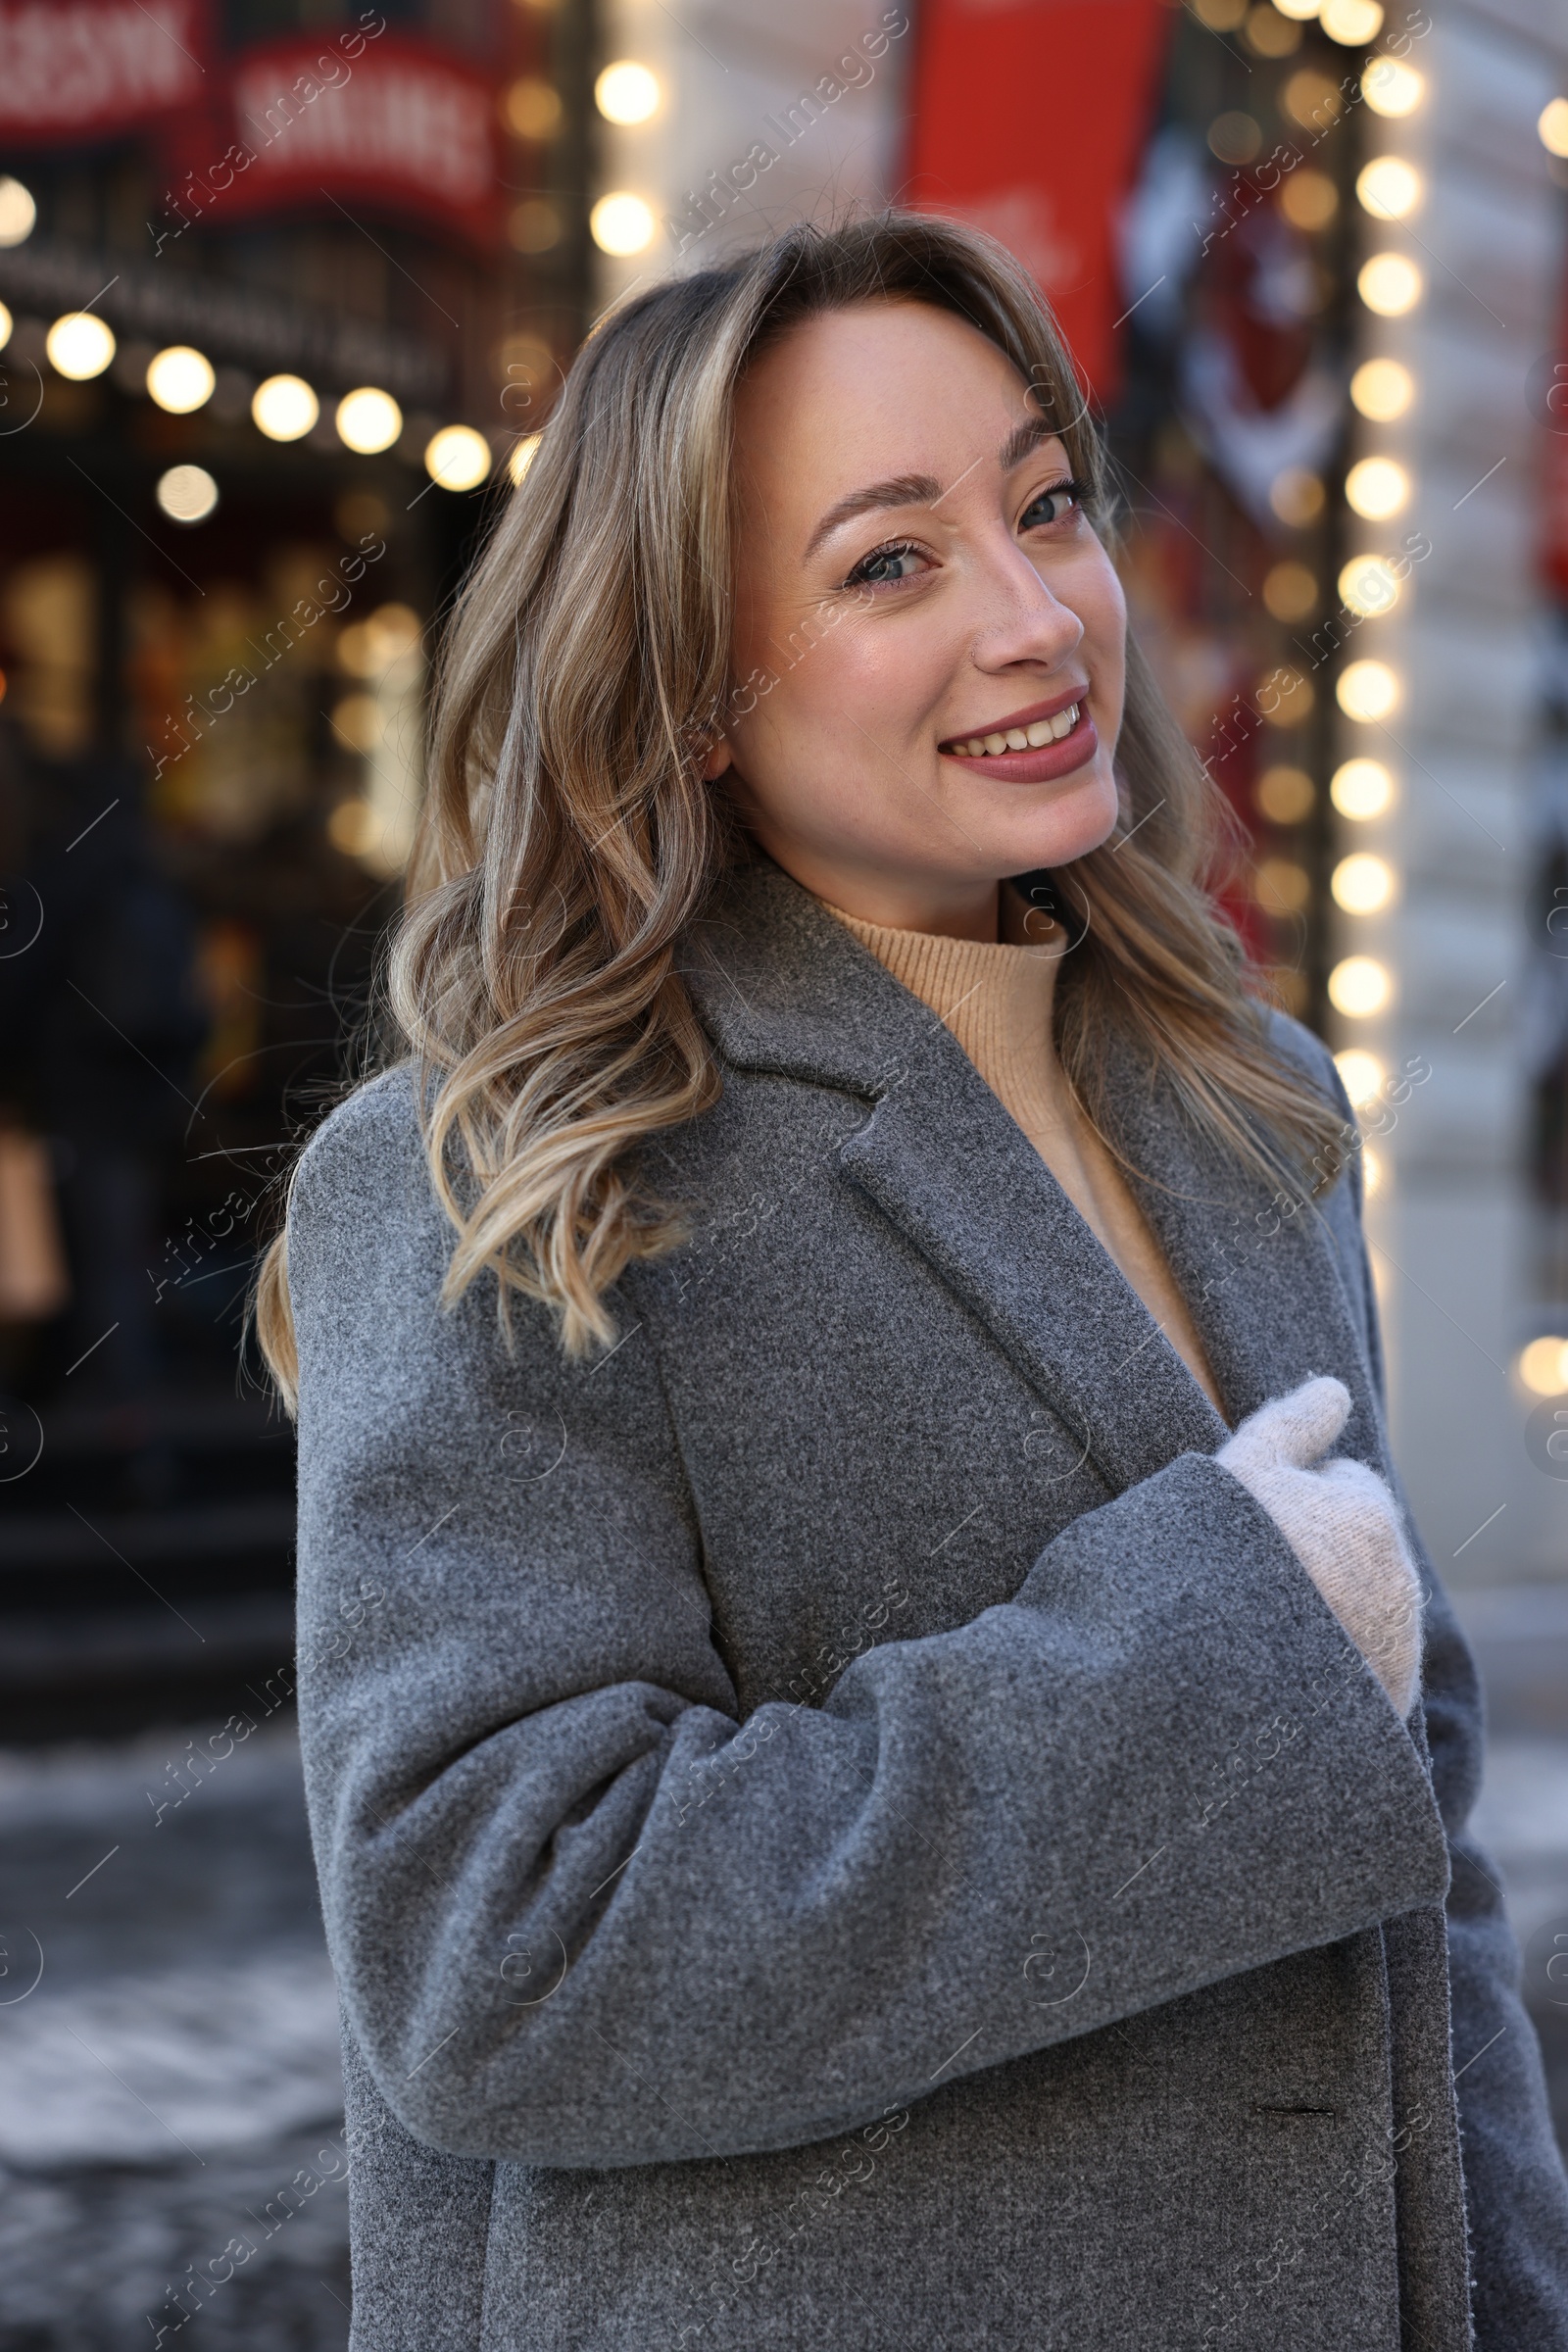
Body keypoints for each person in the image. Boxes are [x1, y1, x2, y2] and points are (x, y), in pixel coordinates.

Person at [258, 216, 1568, 2349]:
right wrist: (1206, 1666)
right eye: (890, 564)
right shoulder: (507, 1174)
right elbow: (502, 1954)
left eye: (1043, 507)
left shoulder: (1254, 1109)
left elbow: (1415, 1868)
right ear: (686, 689)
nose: (1039, 617)